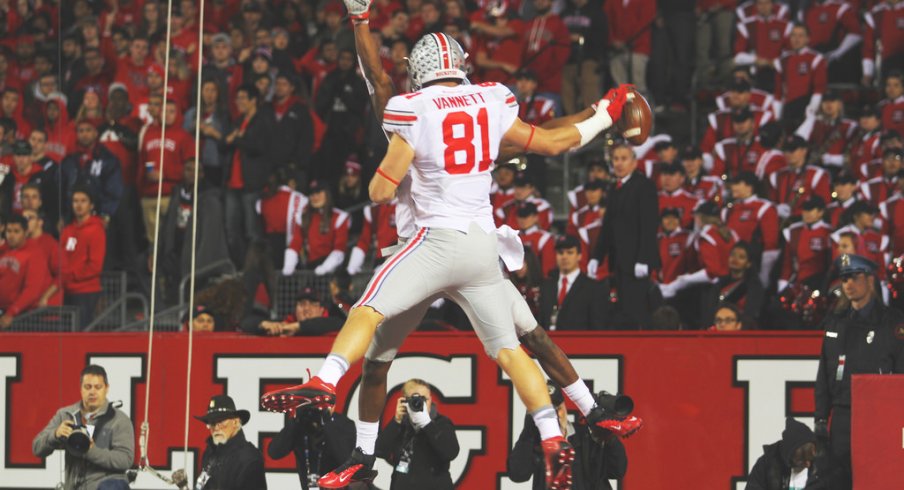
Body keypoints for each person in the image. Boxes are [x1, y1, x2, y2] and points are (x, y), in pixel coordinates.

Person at [261, 25, 633, 489]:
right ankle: (555, 437)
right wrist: (603, 114)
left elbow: (379, 179)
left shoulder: (411, 111)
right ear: (461, 64)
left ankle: (328, 383)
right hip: (480, 248)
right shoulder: (489, 101)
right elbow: (552, 140)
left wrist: (360, 20)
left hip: (429, 246)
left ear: (417, 74)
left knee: (367, 315)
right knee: (516, 348)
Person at [815, 254, 904, 489]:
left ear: (870, 280)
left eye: (855, 277)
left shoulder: (892, 322)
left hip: (880, 415)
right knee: (839, 478)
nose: (849, 285)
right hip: (843, 414)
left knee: (877, 477)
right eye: (844, 279)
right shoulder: (835, 322)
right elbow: (824, 373)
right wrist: (821, 417)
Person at [590, 141, 661, 328]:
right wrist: (596, 257)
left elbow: (649, 225)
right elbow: (607, 227)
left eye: (623, 159)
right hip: (619, 262)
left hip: (637, 262)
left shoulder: (644, 186)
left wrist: (644, 259)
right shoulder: (614, 188)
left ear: (634, 162)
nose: (619, 163)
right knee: (623, 310)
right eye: (615, 159)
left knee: (637, 311)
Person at [508, 381, 627, 489]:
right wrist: (528, 432)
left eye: (558, 408)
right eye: (549, 412)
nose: (556, 416)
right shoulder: (536, 443)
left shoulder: (588, 435)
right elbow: (518, 475)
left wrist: (610, 438)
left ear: (564, 407)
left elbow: (617, 471)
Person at [32, 365, 134, 490]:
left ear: (106, 389)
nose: (92, 392)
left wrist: (91, 451)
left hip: (108, 485)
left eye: (98, 387)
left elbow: (125, 459)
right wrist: (55, 435)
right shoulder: (65, 415)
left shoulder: (119, 419)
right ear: (81, 389)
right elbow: (37, 448)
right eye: (88, 387)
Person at [373, 379, 459, 489]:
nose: (420, 403)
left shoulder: (441, 423)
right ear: (404, 401)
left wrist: (426, 424)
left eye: (425, 399)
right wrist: (396, 421)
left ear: (431, 400)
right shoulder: (400, 426)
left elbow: (451, 452)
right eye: (414, 399)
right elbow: (380, 451)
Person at [268, 405, 356, 490]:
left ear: (333, 404)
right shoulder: (301, 425)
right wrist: (295, 420)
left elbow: (346, 461)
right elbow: (274, 452)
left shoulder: (343, 424)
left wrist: (326, 422)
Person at [193, 395, 267, 490]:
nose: (216, 427)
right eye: (212, 423)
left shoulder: (249, 458)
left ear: (235, 422)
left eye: (221, 421)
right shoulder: (210, 453)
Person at [745, 417, 836, 490]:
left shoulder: (825, 464)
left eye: (810, 459)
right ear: (789, 458)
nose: (808, 464)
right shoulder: (767, 464)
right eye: (802, 461)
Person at [539, 235, 609, 330]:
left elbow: (598, 328)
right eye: (560, 253)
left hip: (580, 344)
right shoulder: (546, 287)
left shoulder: (593, 288)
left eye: (570, 252)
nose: (564, 257)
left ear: (579, 256)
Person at [60, 186, 107, 327]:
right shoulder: (68, 230)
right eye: (75, 201)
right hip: (67, 290)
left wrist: (71, 275)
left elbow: (95, 266)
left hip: (86, 292)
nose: (79, 205)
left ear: (91, 205)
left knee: (81, 333)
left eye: (83, 201)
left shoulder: (96, 230)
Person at [0, 214, 51, 328]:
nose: (11, 235)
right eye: (9, 231)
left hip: (22, 316)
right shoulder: (4, 250)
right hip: (3, 312)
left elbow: (32, 290)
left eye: (16, 231)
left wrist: (12, 312)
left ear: (26, 232)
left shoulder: (35, 253)